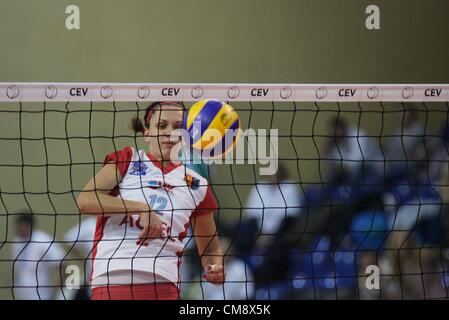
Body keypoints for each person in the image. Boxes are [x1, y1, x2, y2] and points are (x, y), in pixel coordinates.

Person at [76, 101, 226, 300]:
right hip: (112, 280)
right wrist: (142, 210)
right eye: (162, 126)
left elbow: (210, 247)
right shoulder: (127, 160)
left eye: (178, 127)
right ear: (147, 133)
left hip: (163, 285)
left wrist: (214, 266)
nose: (170, 133)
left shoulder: (198, 184)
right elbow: (86, 200)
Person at [11, 213, 66, 300]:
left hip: (42, 295)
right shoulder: (16, 242)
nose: (17, 229)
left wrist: (55, 290)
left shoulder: (43, 240)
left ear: (28, 226)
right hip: (21, 295)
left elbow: (64, 266)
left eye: (20, 226)